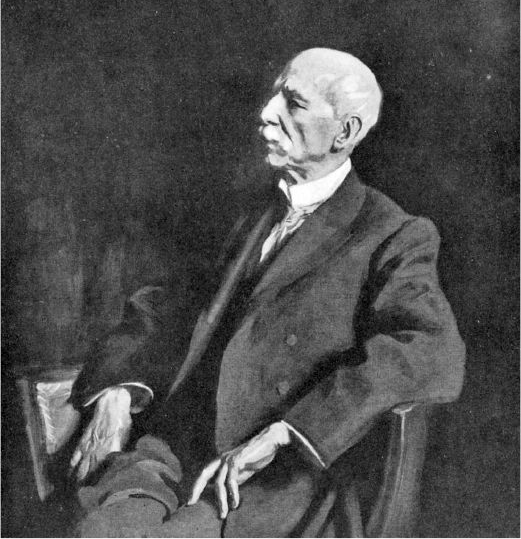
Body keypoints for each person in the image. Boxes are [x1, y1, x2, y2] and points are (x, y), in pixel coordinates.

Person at [70, 48, 465, 537]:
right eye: (275, 95)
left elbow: (427, 349)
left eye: (293, 103)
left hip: (276, 483)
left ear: (344, 133)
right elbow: (162, 307)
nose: (266, 113)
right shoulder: (244, 215)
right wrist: (118, 390)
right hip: (172, 455)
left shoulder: (393, 234)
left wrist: (285, 434)